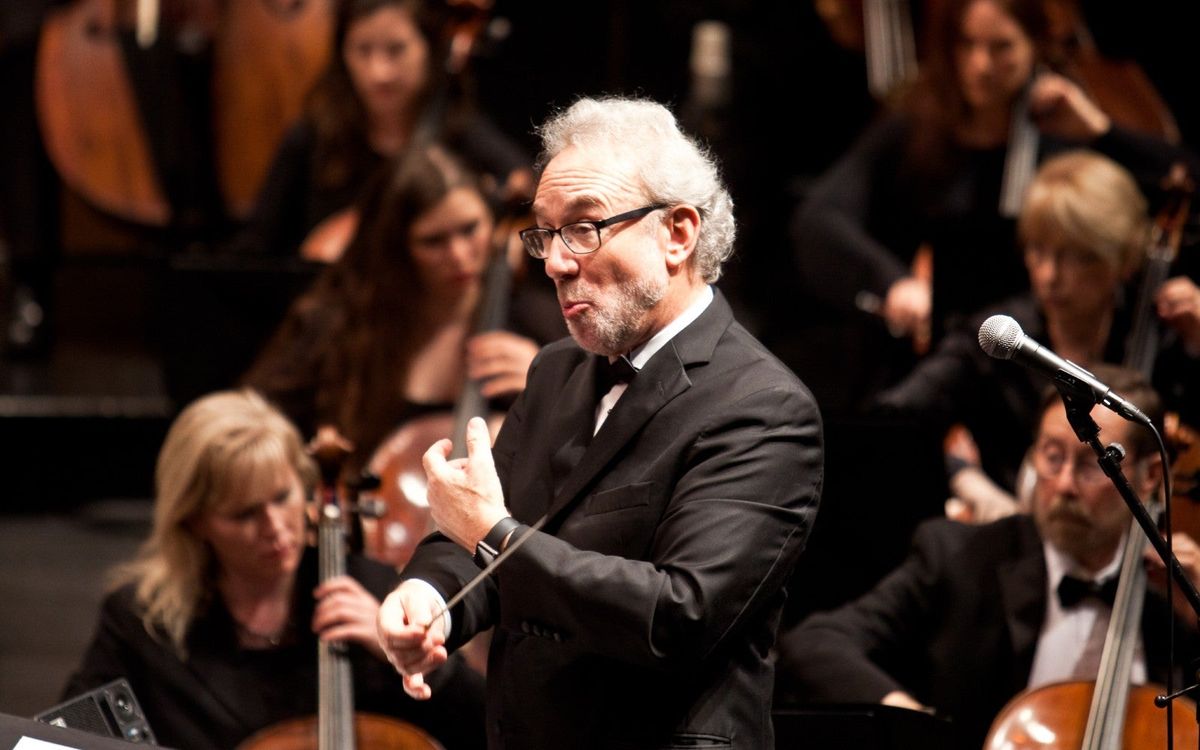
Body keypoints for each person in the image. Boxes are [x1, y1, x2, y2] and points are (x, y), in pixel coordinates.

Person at [375, 96, 824, 749]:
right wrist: (428, 600)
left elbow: (678, 615)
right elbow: (475, 542)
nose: (556, 262)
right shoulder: (555, 370)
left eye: (584, 228)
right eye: (545, 233)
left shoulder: (761, 406)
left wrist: (491, 534)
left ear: (677, 234)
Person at [784, 0, 1192, 412]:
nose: (981, 64)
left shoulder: (1061, 134)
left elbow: (1183, 182)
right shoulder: (920, 125)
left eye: (1002, 47)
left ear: (1035, 46)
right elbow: (821, 217)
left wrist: (1101, 131)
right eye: (967, 45)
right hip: (941, 349)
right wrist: (892, 283)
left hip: (1029, 353)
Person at [778, 365, 1200, 750]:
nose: (1064, 485)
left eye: (1094, 464)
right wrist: (910, 718)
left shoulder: (1175, 587)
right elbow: (816, 642)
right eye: (1052, 456)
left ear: (1149, 476)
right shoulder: (961, 558)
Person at [61, 390, 485, 750]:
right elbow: (66, 737)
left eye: (282, 497)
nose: (275, 527)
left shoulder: (374, 591)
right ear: (195, 521)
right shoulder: (141, 621)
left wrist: (412, 657)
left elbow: (485, 725)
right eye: (245, 514)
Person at [874, 150, 1200, 521]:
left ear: (1121, 260)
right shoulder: (1001, 335)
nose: (1049, 275)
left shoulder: (1164, 334)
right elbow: (897, 416)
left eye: (1076, 256)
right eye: (1038, 250)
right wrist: (966, 479)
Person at [242, 143, 562, 479]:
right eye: (433, 241)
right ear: (396, 246)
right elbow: (254, 419)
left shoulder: (539, 320)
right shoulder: (339, 324)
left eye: (470, 229)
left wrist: (553, 386)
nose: (458, 255)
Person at [237, 0, 530, 260]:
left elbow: (525, 182)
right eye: (363, 50)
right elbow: (256, 248)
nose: (379, 72)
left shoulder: (458, 130)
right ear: (342, 53)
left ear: (429, 49)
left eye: (396, 49)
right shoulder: (310, 138)